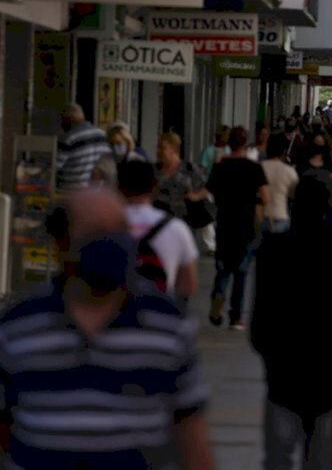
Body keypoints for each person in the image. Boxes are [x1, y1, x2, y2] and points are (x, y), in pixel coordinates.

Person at [0, 190, 214, 469]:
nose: (114, 242)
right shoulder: (18, 328)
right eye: (98, 232)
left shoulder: (166, 326)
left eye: (121, 230)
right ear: (62, 243)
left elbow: (191, 433)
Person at [251, 172, 332, 470]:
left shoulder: (272, 250)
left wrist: (268, 354)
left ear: (293, 204)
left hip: (284, 371)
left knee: (278, 456)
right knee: (327, 456)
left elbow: (262, 313)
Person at [203, 126, 269, 330]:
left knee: (223, 268)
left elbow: (208, 190)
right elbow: (265, 197)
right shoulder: (254, 168)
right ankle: (236, 316)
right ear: (245, 143)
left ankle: (219, 294)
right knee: (241, 272)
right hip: (246, 225)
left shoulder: (220, 166)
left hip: (224, 223)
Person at [119, 161, 199, 300]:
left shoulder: (103, 226)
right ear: (154, 187)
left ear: (118, 187)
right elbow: (188, 285)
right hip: (157, 312)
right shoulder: (176, 228)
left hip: (113, 315)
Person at [56, 102, 113, 191]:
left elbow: (55, 166)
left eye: (62, 119)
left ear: (69, 119)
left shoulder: (69, 138)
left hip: (73, 192)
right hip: (98, 191)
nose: (61, 124)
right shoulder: (102, 135)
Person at [153, 131, 206, 223]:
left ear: (174, 149)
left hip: (183, 222)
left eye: (163, 148)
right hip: (158, 223)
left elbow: (206, 188)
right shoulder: (154, 170)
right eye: (158, 148)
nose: (159, 152)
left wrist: (196, 196)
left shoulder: (189, 169)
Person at [260, 133, 299, 234]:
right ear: (284, 151)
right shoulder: (289, 171)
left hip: (261, 218)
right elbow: (294, 195)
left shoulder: (258, 168)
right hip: (281, 216)